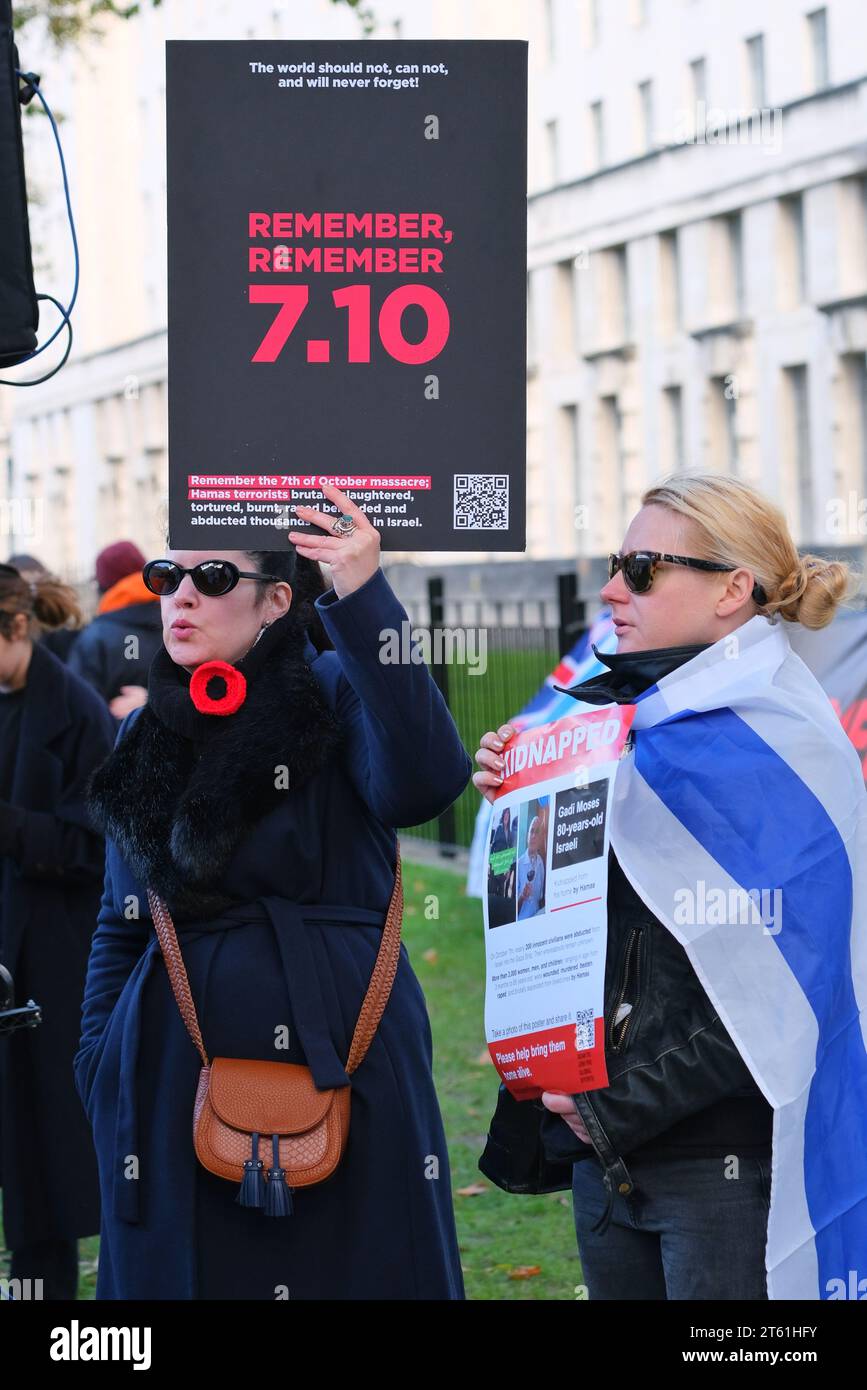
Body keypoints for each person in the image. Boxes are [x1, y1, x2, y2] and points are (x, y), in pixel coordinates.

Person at [74, 481, 472, 1300]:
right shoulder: (145, 730)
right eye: (166, 577)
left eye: (212, 578)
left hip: (348, 1059)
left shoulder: (333, 687)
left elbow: (426, 781)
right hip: (169, 1074)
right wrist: (102, 1062)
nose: (181, 596)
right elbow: (122, 922)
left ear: (276, 599)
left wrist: (363, 594)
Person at [473, 472, 861, 1300]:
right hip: (601, 1145)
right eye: (618, 561)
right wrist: (526, 800)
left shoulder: (779, 749)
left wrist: (613, 1107)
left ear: (732, 589)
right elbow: (567, 929)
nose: (611, 587)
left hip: (720, 1166)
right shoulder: (617, 724)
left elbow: (788, 996)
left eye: (643, 567)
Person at [0, 563, 116, 1298]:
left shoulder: (75, 711)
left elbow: (101, 850)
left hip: (45, 963)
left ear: (16, 627)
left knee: (42, 1163)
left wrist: (11, 828)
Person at [68, 541, 162, 718]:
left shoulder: (95, 637)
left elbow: (76, 703)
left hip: (112, 740)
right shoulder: (177, 620)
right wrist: (152, 702)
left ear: (104, 585)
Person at [515, 814, 546, 920]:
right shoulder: (518, 865)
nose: (533, 836)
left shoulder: (540, 863)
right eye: (531, 831)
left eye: (537, 832)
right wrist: (522, 897)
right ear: (527, 835)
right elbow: (511, 911)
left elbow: (540, 897)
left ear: (541, 838)